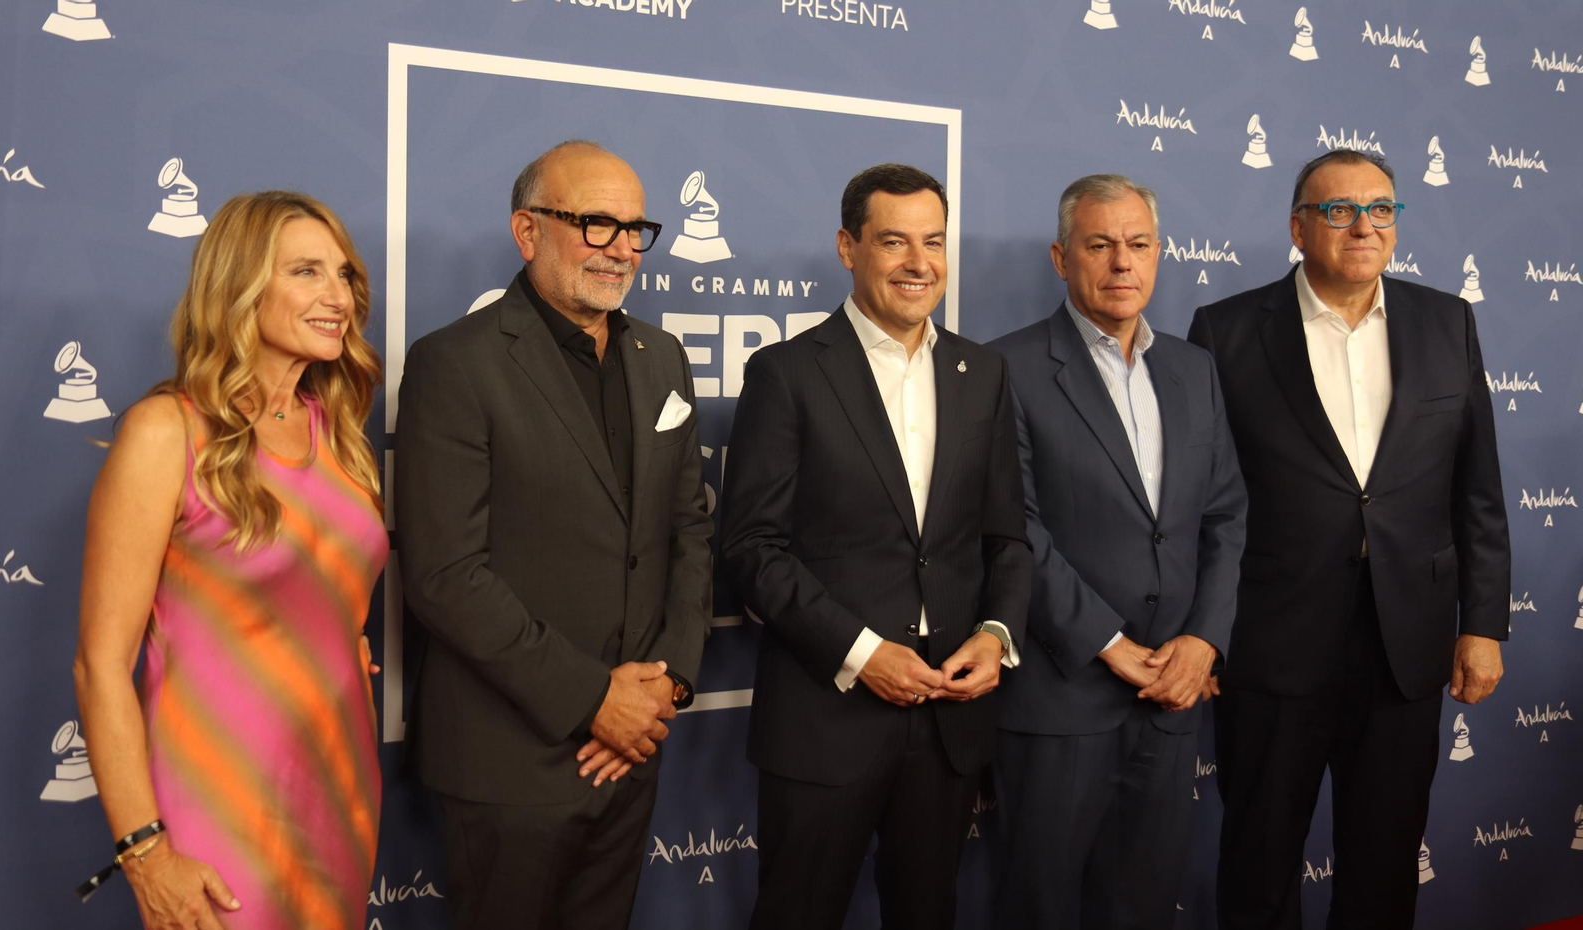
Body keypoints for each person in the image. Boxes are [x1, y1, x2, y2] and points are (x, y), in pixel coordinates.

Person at [393, 140, 713, 930]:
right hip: (512, 758)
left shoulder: (661, 358)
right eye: (596, 224)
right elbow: (446, 574)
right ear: (527, 230)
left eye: (636, 229)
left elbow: (689, 534)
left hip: (634, 747)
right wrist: (592, 700)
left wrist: (661, 688)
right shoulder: (454, 364)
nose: (622, 250)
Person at [1189, 150, 1510, 929]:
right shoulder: (1225, 330)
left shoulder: (1447, 321)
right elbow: (1199, 502)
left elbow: (1478, 491)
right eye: (1339, 210)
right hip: (1272, 640)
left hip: (1406, 640)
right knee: (1259, 860)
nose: (1363, 225)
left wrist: (1481, 626)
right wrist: (1201, 633)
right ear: (1298, 227)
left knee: (1386, 860)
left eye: (1381, 208)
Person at [720, 163, 1031, 930]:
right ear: (847, 247)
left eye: (933, 242)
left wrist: (996, 637)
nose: (918, 263)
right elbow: (752, 548)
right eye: (893, 241)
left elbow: (1008, 539)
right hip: (827, 715)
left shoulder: (982, 372)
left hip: (949, 720)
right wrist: (863, 652)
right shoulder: (787, 373)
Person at [72, 190, 388, 930]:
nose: (337, 296)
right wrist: (144, 852)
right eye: (307, 273)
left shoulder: (340, 434)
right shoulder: (167, 433)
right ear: (241, 286)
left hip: (338, 790)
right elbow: (99, 665)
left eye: (344, 275)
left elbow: (332, 610)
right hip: (216, 802)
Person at [988, 174, 1246, 929]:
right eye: (1099, 245)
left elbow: (1227, 513)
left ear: (1159, 254)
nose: (1121, 264)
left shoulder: (1193, 370)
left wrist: (1204, 640)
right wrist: (1109, 644)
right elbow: (1015, 529)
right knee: (1036, 905)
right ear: (1062, 257)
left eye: (1137, 245)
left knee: (1139, 906)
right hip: (1061, 698)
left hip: (1172, 696)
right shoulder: (1008, 367)